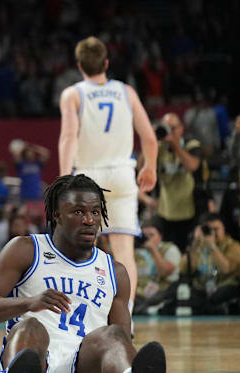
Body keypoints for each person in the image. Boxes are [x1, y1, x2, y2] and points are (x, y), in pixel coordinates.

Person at [0, 174, 166, 373]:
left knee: (113, 335)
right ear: (56, 214)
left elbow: (122, 341)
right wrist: (28, 303)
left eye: (95, 212)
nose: (89, 220)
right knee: (30, 327)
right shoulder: (26, 249)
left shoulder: (115, 272)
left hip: (84, 363)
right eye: (78, 212)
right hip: (36, 360)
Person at [58, 36, 158, 315]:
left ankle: (77, 314)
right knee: (124, 251)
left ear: (79, 66)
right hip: (123, 174)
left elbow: (68, 137)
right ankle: (127, 318)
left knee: (75, 246)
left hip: (88, 176)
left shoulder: (73, 94)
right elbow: (149, 138)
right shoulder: (126, 91)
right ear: (106, 63)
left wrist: (64, 180)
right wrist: (150, 167)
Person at [155, 113, 206, 252]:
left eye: (173, 127)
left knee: (187, 252)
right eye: (166, 127)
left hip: (189, 210)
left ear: (181, 128)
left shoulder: (192, 145)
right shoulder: (159, 147)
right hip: (166, 211)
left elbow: (192, 166)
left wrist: (175, 144)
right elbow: (142, 167)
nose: (169, 131)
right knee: (169, 251)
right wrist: (150, 141)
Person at [133, 218, 180, 315]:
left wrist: (153, 250)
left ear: (160, 236)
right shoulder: (135, 252)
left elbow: (164, 272)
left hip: (162, 290)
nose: (148, 239)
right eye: (145, 236)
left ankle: (146, 308)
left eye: (152, 235)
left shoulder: (170, 249)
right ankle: (145, 308)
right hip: (139, 293)